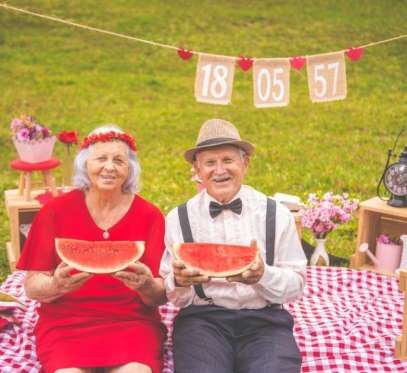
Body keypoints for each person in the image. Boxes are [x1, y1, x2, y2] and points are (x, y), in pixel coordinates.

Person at [160, 118, 307, 373]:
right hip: (203, 321)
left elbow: (296, 286)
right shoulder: (178, 219)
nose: (219, 170)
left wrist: (263, 274)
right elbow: (174, 296)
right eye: (209, 162)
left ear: (245, 163)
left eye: (228, 160)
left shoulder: (276, 214)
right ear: (197, 169)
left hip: (266, 321)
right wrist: (179, 281)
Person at [17, 125, 167, 373]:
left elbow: (160, 296)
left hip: (132, 322)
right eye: (101, 159)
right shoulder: (54, 211)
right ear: (85, 165)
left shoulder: (150, 216)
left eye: (119, 160)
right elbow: (32, 287)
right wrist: (56, 285)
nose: (109, 166)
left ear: (129, 169)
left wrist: (147, 286)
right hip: (66, 323)